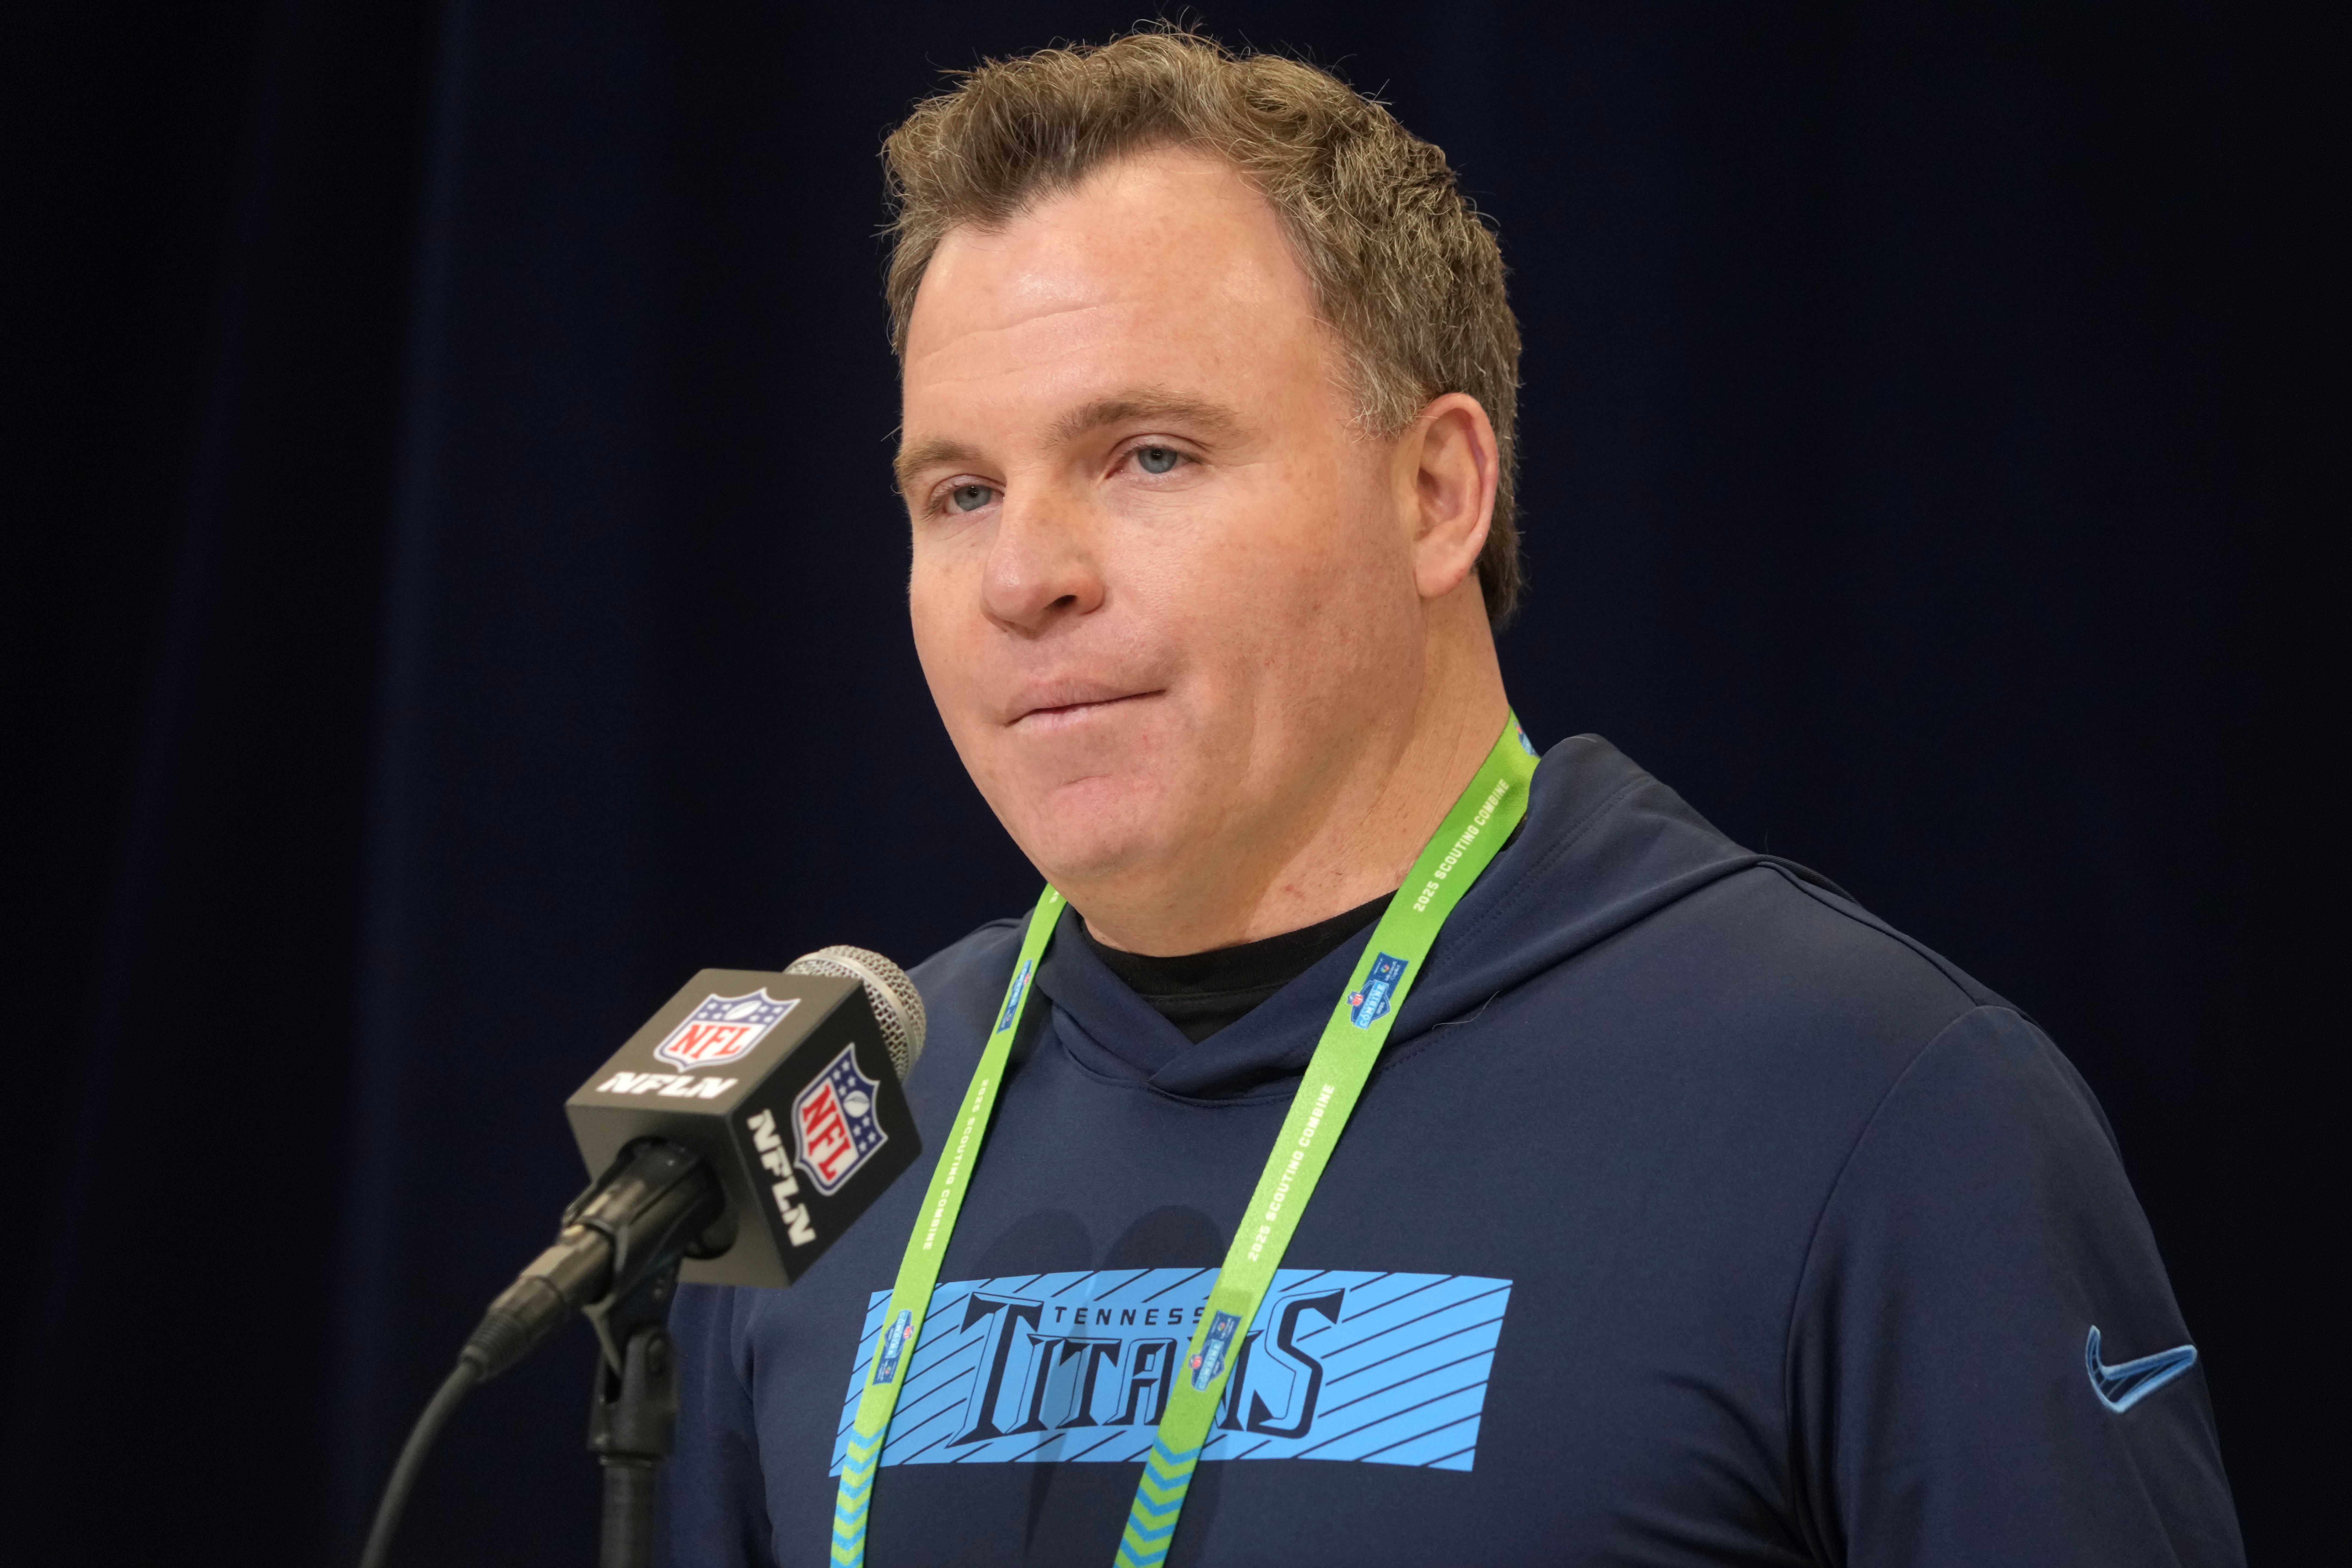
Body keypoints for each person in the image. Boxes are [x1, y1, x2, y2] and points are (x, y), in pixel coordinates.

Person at [662, 29, 2241, 1568]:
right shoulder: (828, 1144)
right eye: (962, 493)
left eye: (1147, 456)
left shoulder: (1880, 1104)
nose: (1025, 578)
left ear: (1437, 495)